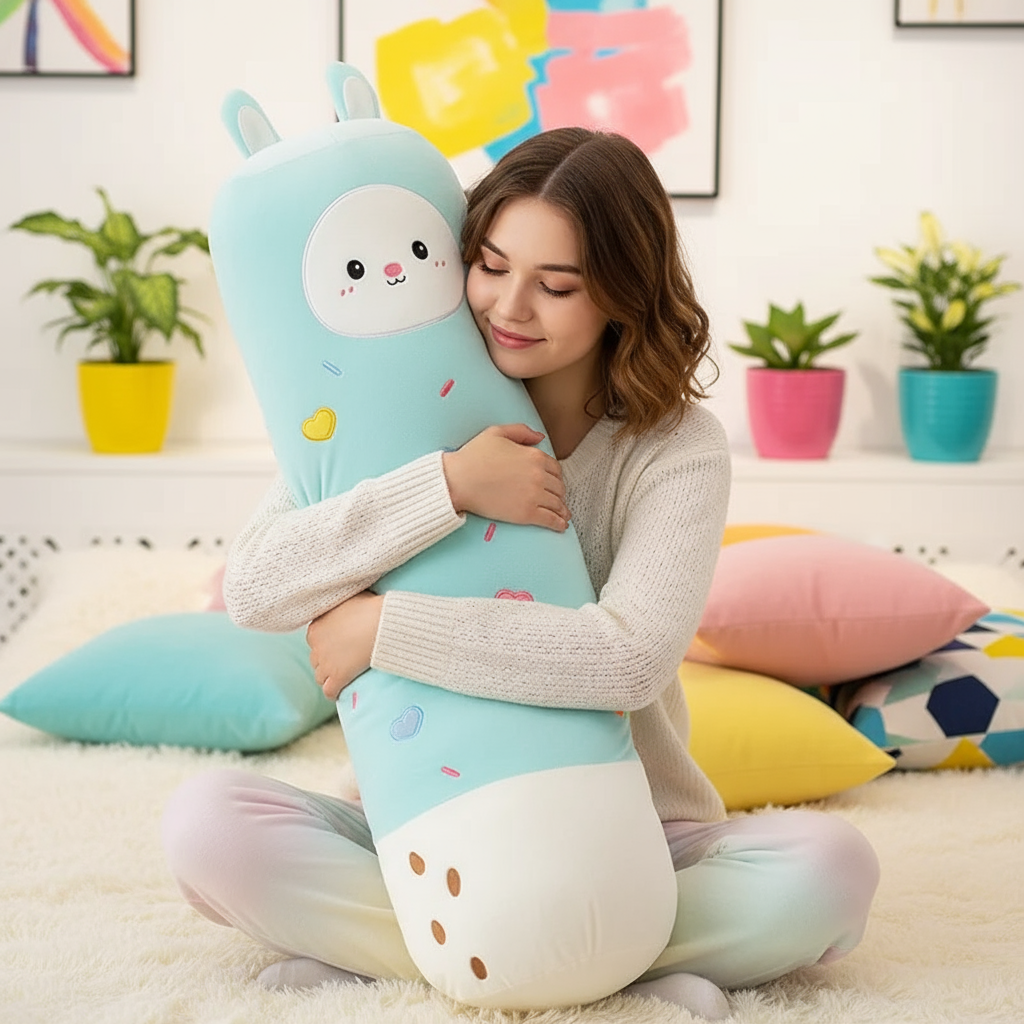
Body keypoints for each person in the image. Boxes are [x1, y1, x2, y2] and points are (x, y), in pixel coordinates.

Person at [162, 128, 879, 1021]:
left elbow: (627, 661)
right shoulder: (399, 405)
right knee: (207, 828)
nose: (509, 306)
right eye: (490, 265)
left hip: (639, 832)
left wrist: (386, 628)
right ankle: (588, 961)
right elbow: (258, 587)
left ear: (623, 294)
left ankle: (426, 954)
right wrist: (448, 484)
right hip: (424, 828)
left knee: (831, 870)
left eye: (557, 285)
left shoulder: (671, 449)